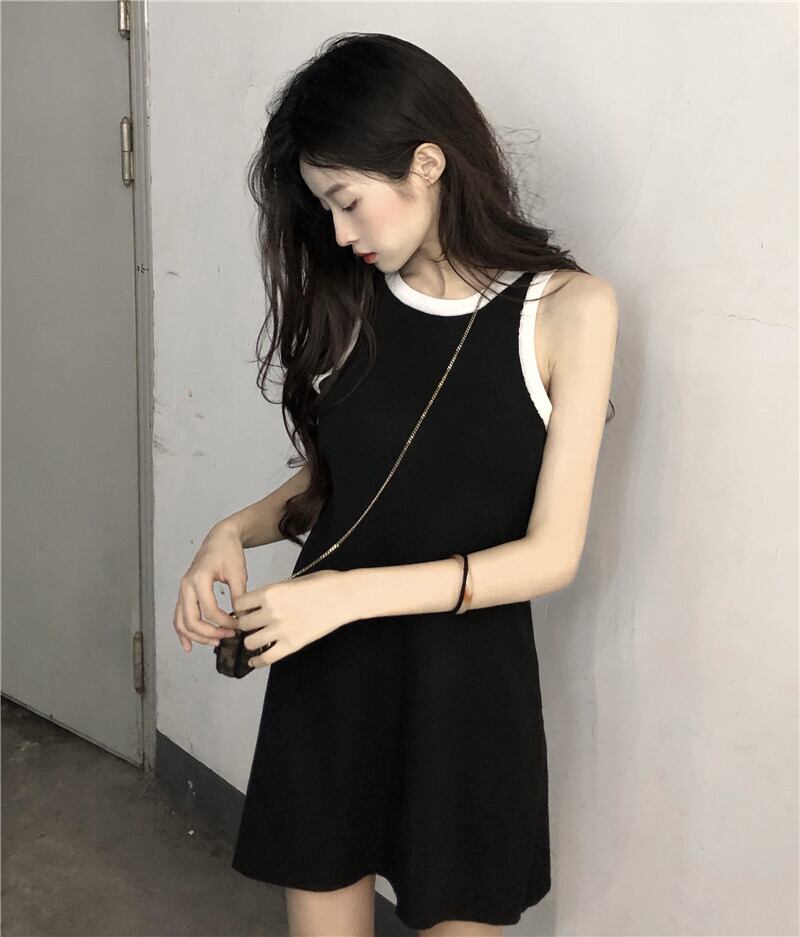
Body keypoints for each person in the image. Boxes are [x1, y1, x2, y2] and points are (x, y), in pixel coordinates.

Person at [172, 31, 618, 937]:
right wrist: (232, 530)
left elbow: (550, 555)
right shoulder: (358, 294)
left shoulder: (569, 310)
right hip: (328, 671)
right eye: (325, 210)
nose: (340, 233)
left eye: (347, 202)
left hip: (466, 694)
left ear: (427, 162)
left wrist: (344, 595)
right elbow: (352, 474)